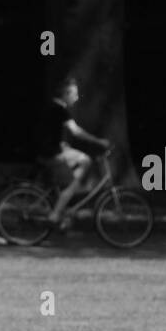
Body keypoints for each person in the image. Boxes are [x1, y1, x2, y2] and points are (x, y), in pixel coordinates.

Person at [43, 76, 113, 228]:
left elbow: (48, 132)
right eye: (74, 94)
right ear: (66, 94)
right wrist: (98, 141)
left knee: (81, 161)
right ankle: (56, 214)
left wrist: (61, 144)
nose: (76, 98)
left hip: (50, 150)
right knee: (80, 170)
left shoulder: (52, 107)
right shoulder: (61, 110)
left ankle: (66, 201)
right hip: (52, 154)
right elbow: (76, 132)